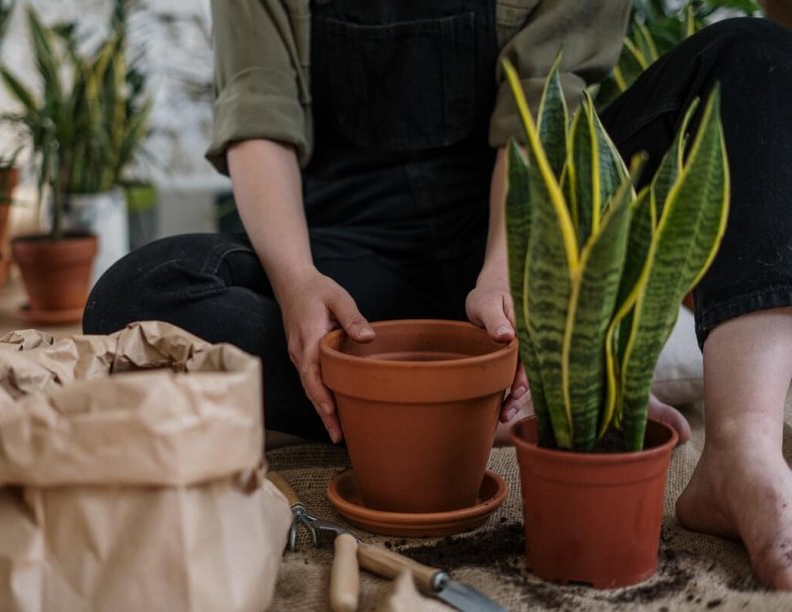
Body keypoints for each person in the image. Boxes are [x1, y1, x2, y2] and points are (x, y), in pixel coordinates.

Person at [84, 0, 792, 589]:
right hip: (345, 264)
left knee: (754, 55)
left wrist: (508, 276)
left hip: (531, 226)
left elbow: (545, 105)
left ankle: (741, 451)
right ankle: (482, 403)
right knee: (136, 294)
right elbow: (259, 114)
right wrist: (297, 282)